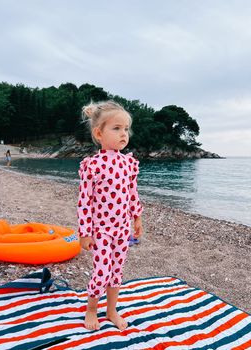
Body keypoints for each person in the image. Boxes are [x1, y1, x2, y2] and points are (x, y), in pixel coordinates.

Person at [77, 100, 143, 331]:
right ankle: (92, 309)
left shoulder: (129, 164)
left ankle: (112, 310)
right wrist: (84, 233)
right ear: (99, 133)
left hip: (122, 228)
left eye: (126, 129)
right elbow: (85, 202)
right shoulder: (92, 165)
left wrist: (137, 217)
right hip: (101, 230)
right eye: (116, 128)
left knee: (117, 270)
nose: (123, 134)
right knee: (102, 270)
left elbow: (132, 193)